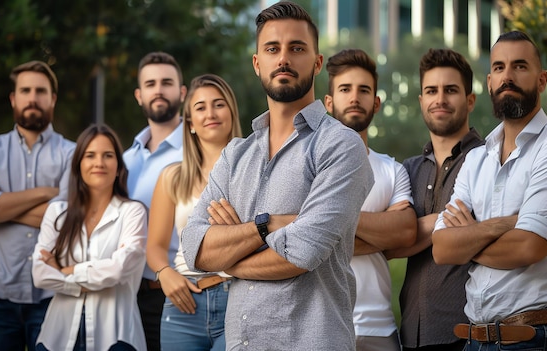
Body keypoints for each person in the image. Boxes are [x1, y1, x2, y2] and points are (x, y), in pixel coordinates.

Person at [182, 2, 374, 350]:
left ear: (317, 63)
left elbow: (302, 252)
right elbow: (194, 248)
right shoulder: (235, 154)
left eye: (296, 48)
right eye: (272, 49)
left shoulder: (341, 145)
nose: (283, 58)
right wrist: (264, 225)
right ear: (258, 63)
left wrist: (228, 260)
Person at [431, 31, 547, 350]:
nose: (507, 77)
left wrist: (468, 239)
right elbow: (442, 249)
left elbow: (528, 248)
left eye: (519, 66)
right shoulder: (475, 159)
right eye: (499, 68)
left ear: (541, 80)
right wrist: (505, 224)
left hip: (535, 339)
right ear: (488, 81)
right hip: (475, 340)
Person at [0, 60, 75, 351]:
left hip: (52, 294)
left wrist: (0, 203)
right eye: (25, 90)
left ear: (53, 99)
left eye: (40, 91)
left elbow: (65, 220)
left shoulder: (72, 153)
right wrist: (45, 193)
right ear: (14, 98)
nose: (33, 97)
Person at [383, 49, 484, 351]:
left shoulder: (487, 161)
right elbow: (388, 245)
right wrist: (445, 222)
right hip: (412, 333)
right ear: (421, 101)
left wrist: (411, 229)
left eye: (450, 90)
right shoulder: (408, 169)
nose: (439, 99)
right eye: (431, 91)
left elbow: (481, 236)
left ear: (470, 100)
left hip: (468, 334)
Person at [323, 48, 417, 351]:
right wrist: (381, 236)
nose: (354, 97)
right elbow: (296, 240)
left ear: (376, 103)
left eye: (364, 90)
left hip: (379, 327)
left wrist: (331, 222)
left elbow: (404, 232)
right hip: (320, 326)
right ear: (328, 102)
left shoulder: (392, 170)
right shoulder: (307, 171)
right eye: (345, 89)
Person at [147, 74, 242, 350]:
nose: (210, 113)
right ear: (189, 123)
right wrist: (165, 273)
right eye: (200, 107)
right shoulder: (171, 177)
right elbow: (154, 245)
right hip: (183, 303)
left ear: (231, 112)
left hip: (239, 297)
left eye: (218, 104)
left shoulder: (254, 171)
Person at [32, 124, 147, 351]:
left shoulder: (132, 212)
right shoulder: (57, 214)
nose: (99, 163)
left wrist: (67, 271)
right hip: (58, 338)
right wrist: (87, 281)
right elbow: (40, 275)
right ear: (79, 164)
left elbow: (118, 269)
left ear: (118, 167)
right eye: (90, 155)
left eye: (108, 155)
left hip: (116, 337)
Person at [123, 51, 186, 351]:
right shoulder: (124, 160)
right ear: (139, 95)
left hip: (182, 291)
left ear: (182, 92)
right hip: (129, 294)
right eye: (150, 84)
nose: (158, 90)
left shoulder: (197, 151)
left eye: (166, 82)